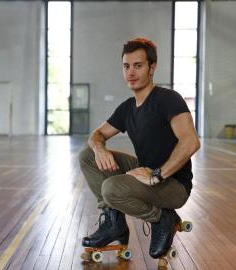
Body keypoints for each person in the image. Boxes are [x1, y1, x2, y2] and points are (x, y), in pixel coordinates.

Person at [79, 37, 200, 259]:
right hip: (145, 171)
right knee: (87, 155)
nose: (131, 72)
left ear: (152, 68)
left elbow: (191, 141)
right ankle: (114, 222)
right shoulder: (127, 108)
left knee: (111, 188)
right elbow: (96, 135)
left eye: (138, 65)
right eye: (126, 66)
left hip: (173, 184)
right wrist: (100, 149)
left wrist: (157, 175)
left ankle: (162, 218)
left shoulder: (168, 99)